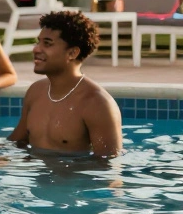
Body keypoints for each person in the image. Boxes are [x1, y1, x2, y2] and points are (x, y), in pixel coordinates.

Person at [9, 11, 122, 157]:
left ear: (72, 53)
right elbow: (16, 142)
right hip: (35, 176)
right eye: (38, 42)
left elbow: (109, 167)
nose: (36, 49)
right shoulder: (35, 92)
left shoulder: (97, 104)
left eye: (47, 44)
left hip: (75, 179)